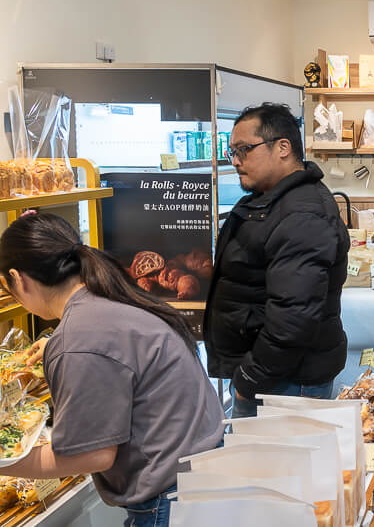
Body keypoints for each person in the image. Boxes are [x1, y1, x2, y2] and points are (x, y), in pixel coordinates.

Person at [0, 213, 224, 527]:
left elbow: (94, 455)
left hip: (170, 498)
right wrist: (55, 348)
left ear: (17, 278)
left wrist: (6, 461)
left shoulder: (79, 336)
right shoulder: (108, 296)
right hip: (200, 477)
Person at [205, 103, 350, 418]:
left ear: (283, 147)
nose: (235, 161)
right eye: (232, 151)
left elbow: (294, 316)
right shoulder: (271, 201)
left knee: (279, 467)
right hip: (273, 377)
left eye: (245, 149)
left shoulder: (301, 212)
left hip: (283, 383)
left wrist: (250, 377)